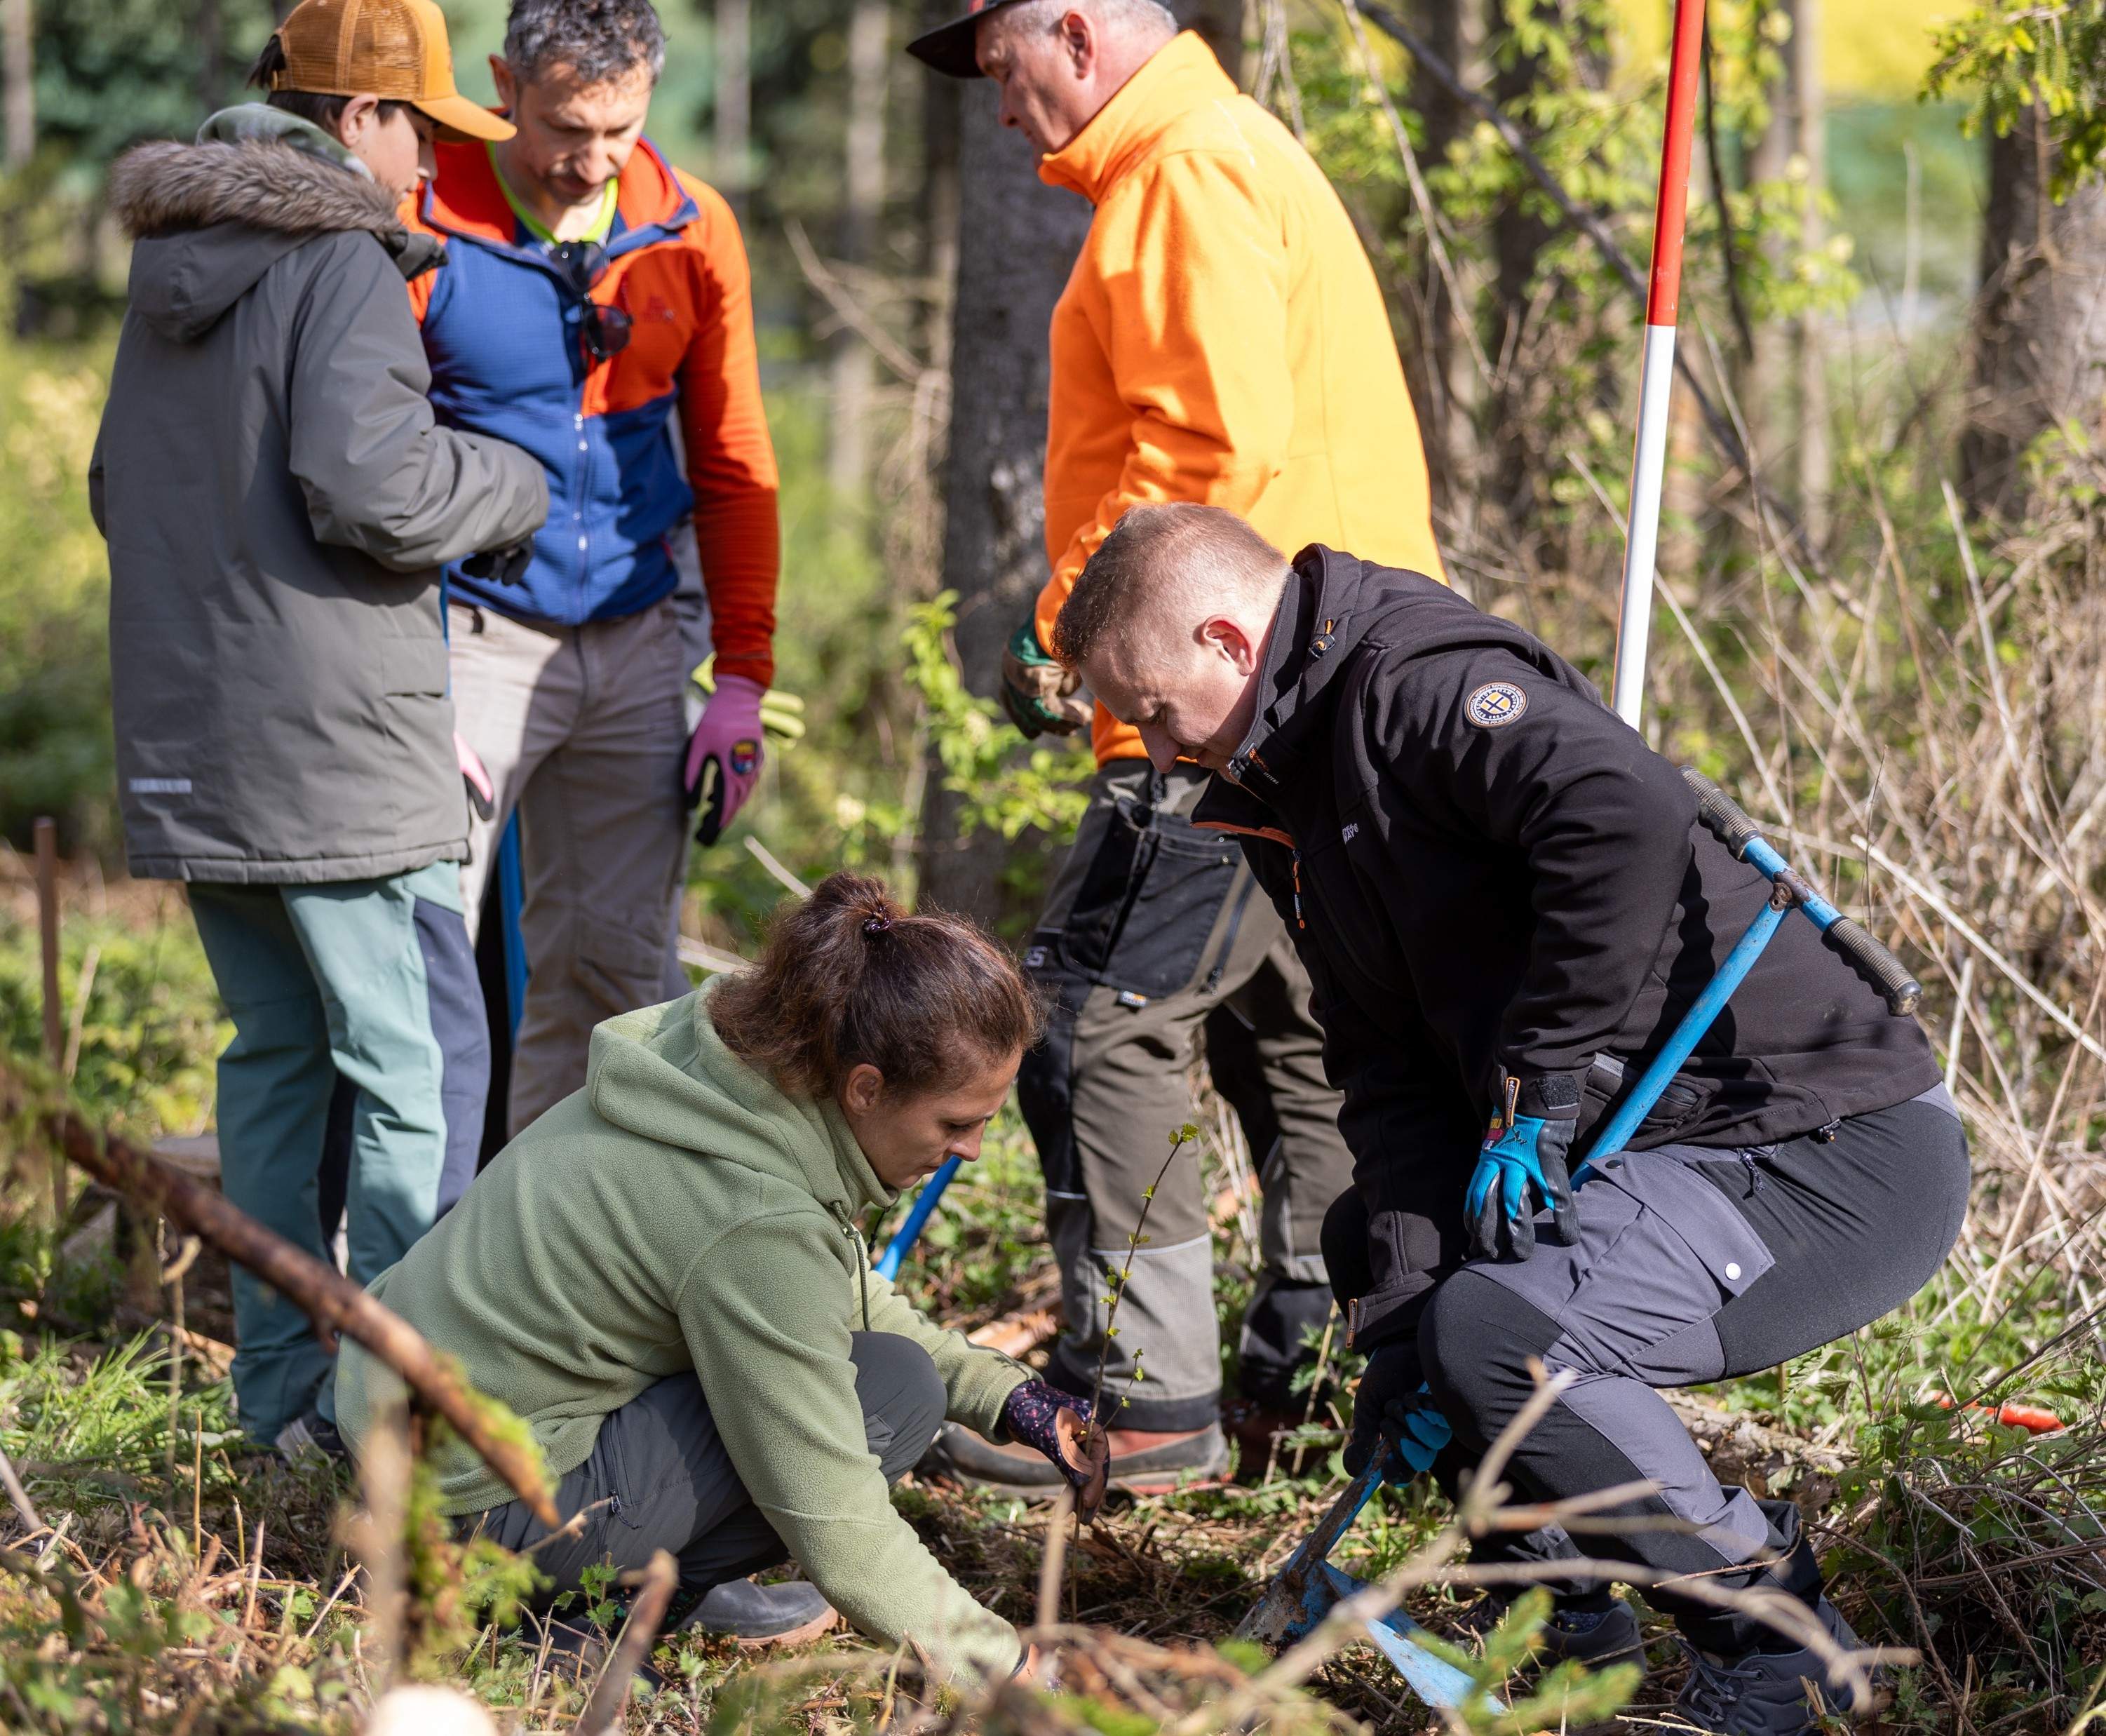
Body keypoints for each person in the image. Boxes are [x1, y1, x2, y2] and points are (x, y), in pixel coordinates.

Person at [1053, 503, 1969, 1733]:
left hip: (1817, 1146)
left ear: (1226, 639)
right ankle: (1559, 1608)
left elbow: (1626, 815)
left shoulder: (1417, 685)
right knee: (1386, 1255)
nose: (1158, 755)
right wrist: (1395, 1329)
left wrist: (1535, 1093)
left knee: (1500, 1328)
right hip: (1668, 1152)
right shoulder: (1289, 781)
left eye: (1156, 711)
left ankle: (1780, 1646)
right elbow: (1383, 1061)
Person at [905, 0, 1449, 1492]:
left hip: (1218, 691)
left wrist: (1062, 628)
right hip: (1305, 683)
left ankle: (1139, 1400)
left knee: (1089, 1019)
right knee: (1289, 1034)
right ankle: (1309, 1383)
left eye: (1002, 70)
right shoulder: (1210, 157)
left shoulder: (1183, 171)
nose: (1001, 109)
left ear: (1070, 33)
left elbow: (1212, 448)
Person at [90, 0, 548, 1457]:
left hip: (198, 747)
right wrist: (514, 484)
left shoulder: (173, 271)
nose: (428, 168)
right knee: (407, 1076)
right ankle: (402, 1413)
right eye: (421, 131)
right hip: (339, 762)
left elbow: (119, 486)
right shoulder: (341, 257)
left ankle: (279, 1397)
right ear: (359, 120)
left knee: (274, 1066)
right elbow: (382, 493)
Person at [332, 874, 1106, 1667]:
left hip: (401, 1430)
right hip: (473, 1517)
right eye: (956, 1122)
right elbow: (834, 1516)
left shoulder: (730, 1068)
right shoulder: (754, 1217)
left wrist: (1006, 1393)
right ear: (866, 1088)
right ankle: (588, 1616)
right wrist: (1009, 1672)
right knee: (894, 1396)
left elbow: (821, 1290)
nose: (971, 1149)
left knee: (899, 1374)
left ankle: (640, 1576)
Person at [404, 0, 782, 1136]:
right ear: (503, 84)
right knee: (412, 974)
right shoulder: (425, 218)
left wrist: (740, 681)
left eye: (621, 128)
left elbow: (733, 459)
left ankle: (560, 1280)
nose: (594, 159)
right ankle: (379, 1291)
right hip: (468, 633)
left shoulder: (690, 229)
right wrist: (408, 676)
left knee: (616, 989)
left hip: (633, 634)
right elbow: (369, 460)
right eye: (568, 126)